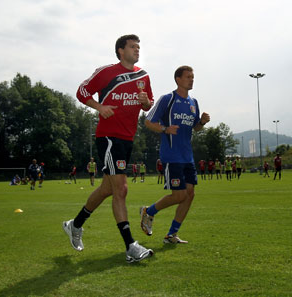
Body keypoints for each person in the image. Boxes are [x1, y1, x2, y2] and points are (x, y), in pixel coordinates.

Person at [62, 34, 154, 263]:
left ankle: (75, 225)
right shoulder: (106, 72)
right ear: (121, 50)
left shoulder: (143, 76)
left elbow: (148, 105)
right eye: (133, 47)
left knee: (106, 189)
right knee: (121, 189)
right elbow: (82, 92)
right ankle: (130, 246)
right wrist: (99, 107)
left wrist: (145, 101)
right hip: (109, 137)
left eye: (138, 47)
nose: (137, 50)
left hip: (128, 138)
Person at [140, 65, 210, 244]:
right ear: (178, 79)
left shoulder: (193, 103)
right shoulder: (168, 99)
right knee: (179, 195)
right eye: (188, 77)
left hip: (188, 157)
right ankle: (149, 212)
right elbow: (148, 121)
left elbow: (196, 128)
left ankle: (171, 234)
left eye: (193, 77)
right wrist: (165, 129)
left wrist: (201, 121)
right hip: (172, 155)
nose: (191, 79)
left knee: (190, 194)